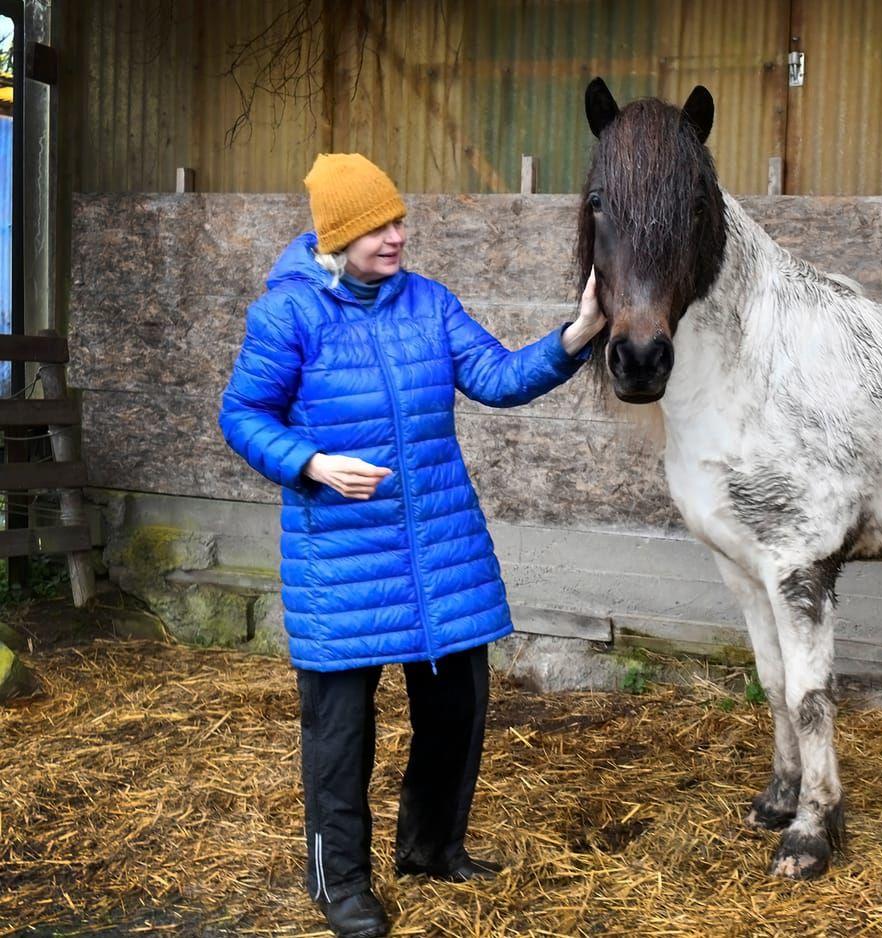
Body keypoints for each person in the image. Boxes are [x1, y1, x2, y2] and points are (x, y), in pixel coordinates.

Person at [219, 153, 603, 938]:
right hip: (343, 560)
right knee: (340, 737)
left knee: (457, 712)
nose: (397, 237)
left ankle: (430, 848)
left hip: (441, 552)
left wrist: (578, 334)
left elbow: (496, 377)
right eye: (378, 228)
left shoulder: (428, 304)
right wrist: (311, 462)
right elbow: (243, 415)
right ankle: (341, 884)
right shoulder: (288, 316)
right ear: (337, 236)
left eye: (399, 221)